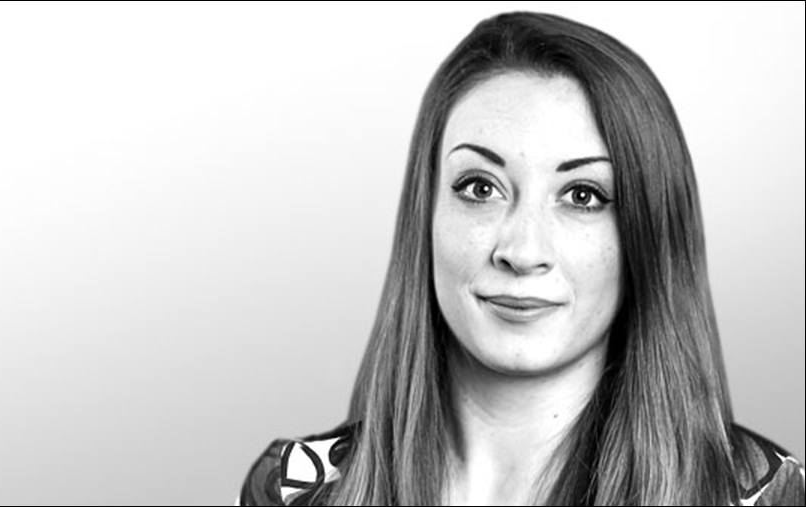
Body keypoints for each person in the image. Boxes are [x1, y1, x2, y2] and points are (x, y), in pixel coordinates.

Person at [235, 11, 805, 506]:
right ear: (425, 216)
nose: (523, 252)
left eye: (583, 196)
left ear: (647, 235)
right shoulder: (292, 493)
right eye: (480, 188)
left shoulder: (761, 497)